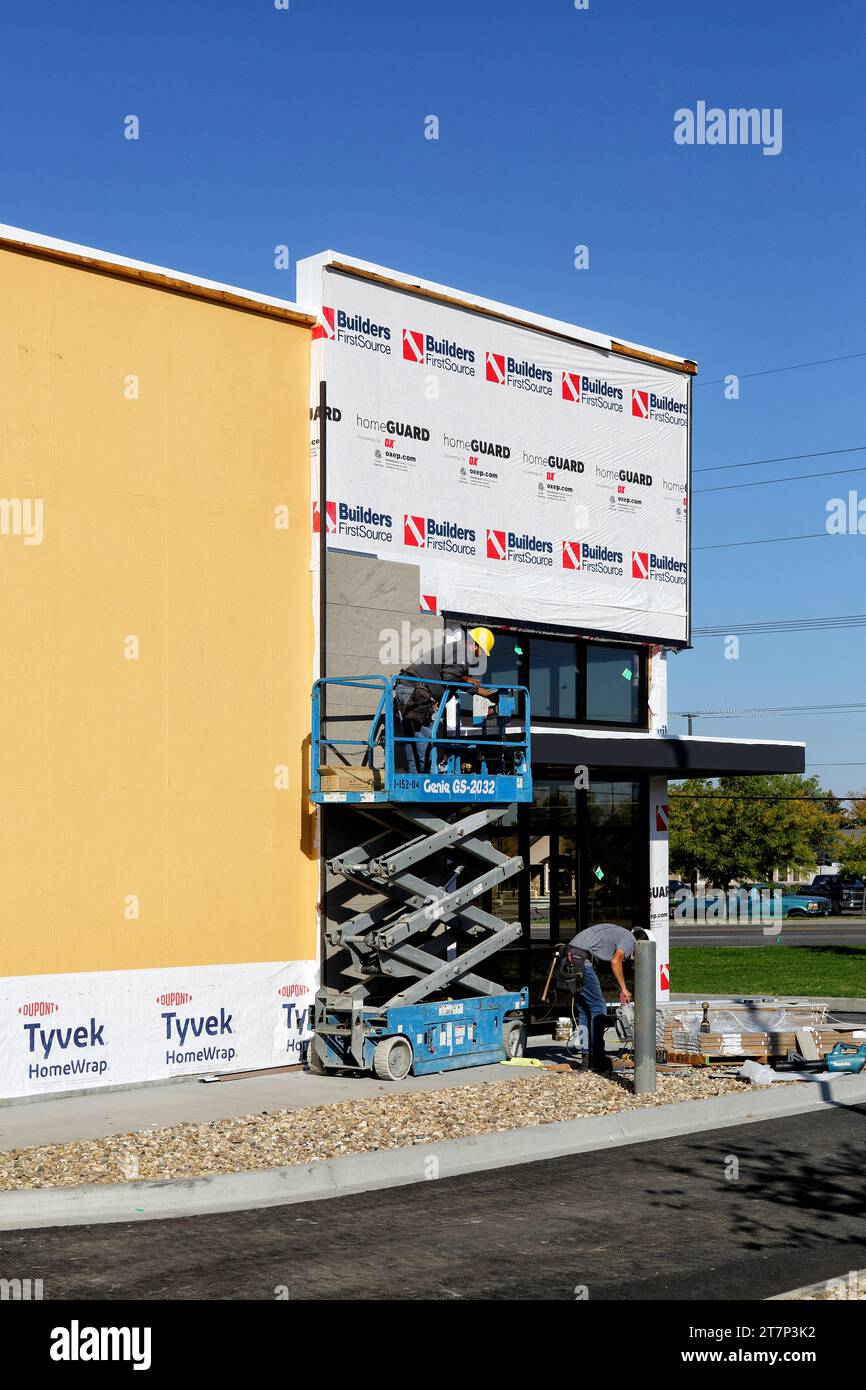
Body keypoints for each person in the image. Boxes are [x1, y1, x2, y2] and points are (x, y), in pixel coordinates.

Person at [394, 626, 497, 773]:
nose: (479, 656)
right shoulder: (464, 651)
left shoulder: (457, 650)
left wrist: (488, 695)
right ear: (476, 645)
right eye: (481, 652)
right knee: (424, 740)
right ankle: (426, 779)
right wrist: (467, 678)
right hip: (415, 692)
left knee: (412, 741)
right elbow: (450, 677)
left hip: (407, 688)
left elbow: (458, 682)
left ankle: (416, 780)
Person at [565, 922, 637, 1072]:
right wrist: (624, 988)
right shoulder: (630, 940)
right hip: (580, 960)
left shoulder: (618, 933)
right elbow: (615, 961)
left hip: (569, 959)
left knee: (585, 1010)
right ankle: (597, 1057)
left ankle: (587, 1058)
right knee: (598, 1008)